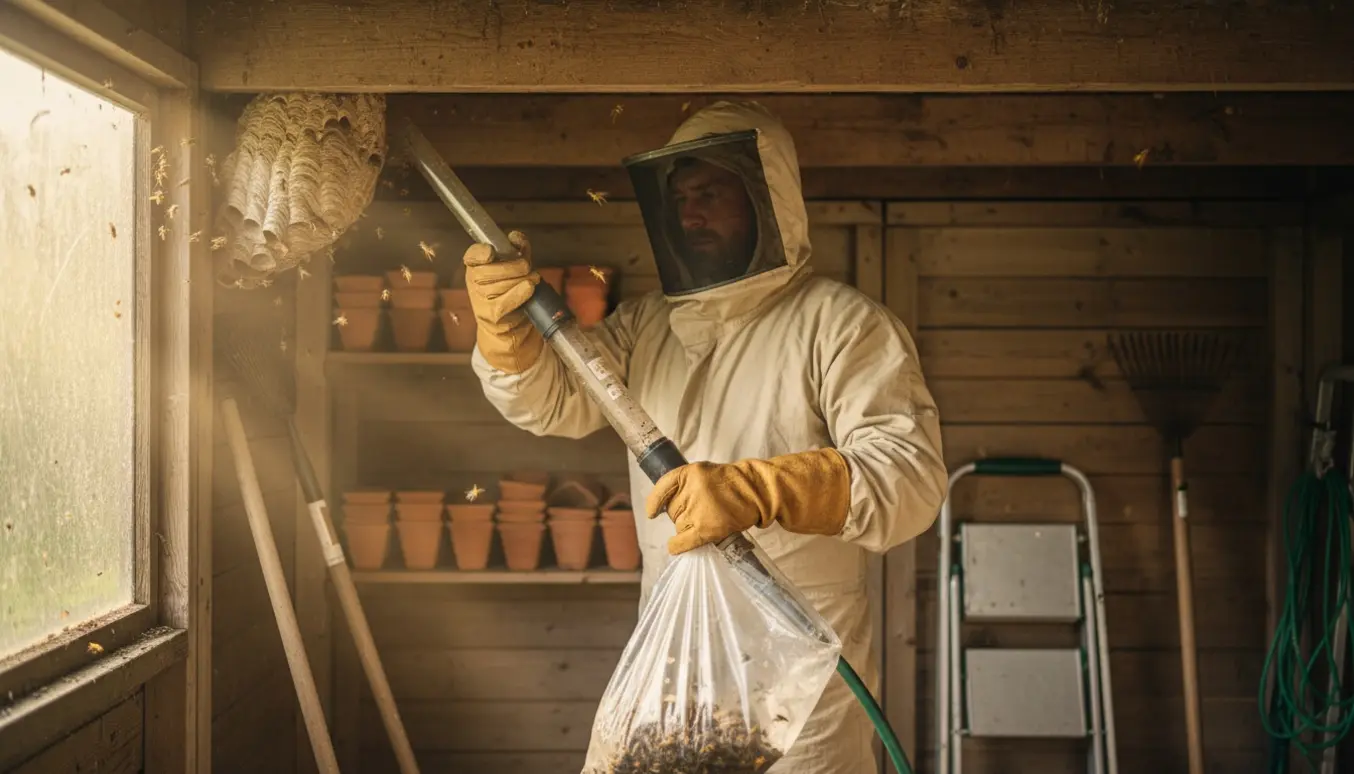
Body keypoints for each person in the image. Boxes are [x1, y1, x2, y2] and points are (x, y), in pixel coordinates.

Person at [463, 100, 948, 772]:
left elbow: (910, 480)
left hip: (799, 676)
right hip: (674, 662)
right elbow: (554, 403)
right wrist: (508, 341)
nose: (691, 214)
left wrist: (760, 489)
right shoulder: (643, 328)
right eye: (682, 197)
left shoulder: (842, 325)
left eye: (712, 193)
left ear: (766, 198)